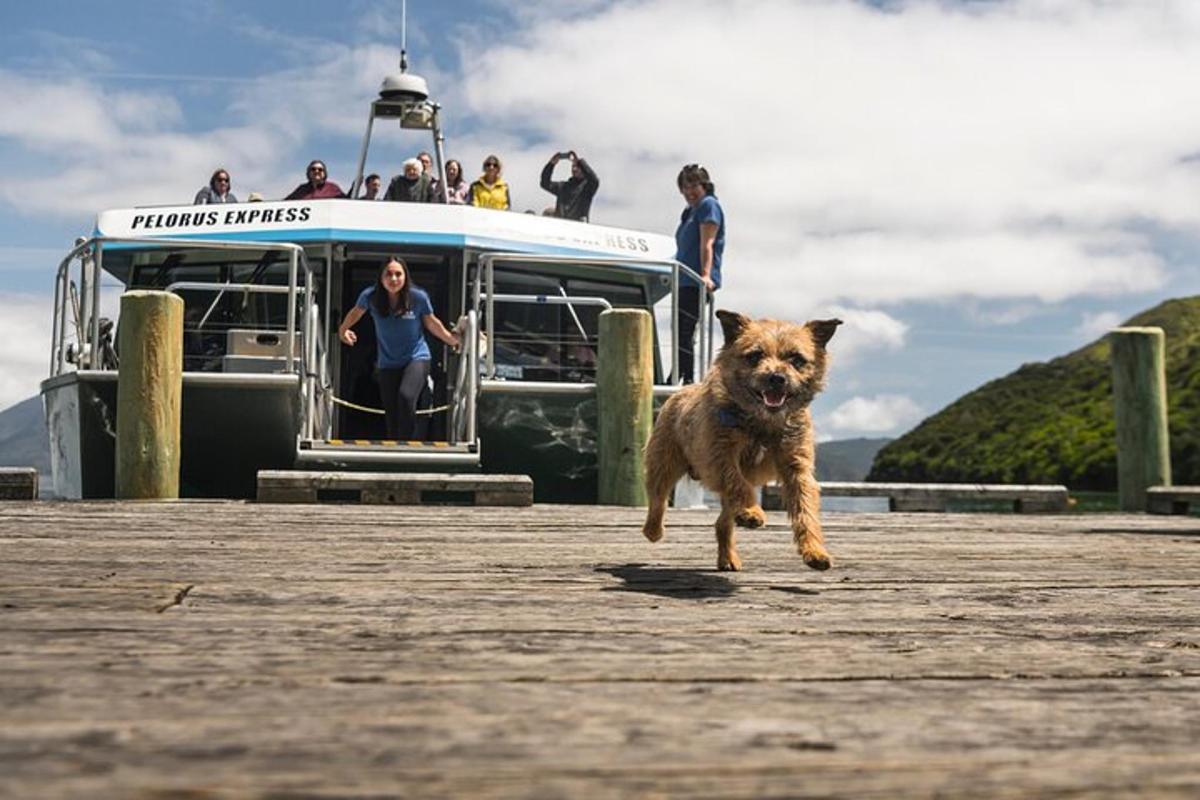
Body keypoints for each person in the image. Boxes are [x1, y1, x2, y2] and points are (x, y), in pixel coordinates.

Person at [337, 257, 460, 441]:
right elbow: (356, 312)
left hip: (416, 357)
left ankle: (406, 444)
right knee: (392, 413)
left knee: (406, 396)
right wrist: (342, 330)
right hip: (387, 363)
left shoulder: (418, 297)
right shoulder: (370, 296)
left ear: (405, 276)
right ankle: (394, 449)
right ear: (381, 277)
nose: (393, 279)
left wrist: (452, 340)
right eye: (388, 274)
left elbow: (432, 323)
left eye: (398, 274)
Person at [673, 163, 725, 384]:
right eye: (685, 186)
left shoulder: (708, 205)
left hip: (696, 281)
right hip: (682, 280)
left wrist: (705, 275)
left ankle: (687, 380)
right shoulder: (689, 212)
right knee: (678, 333)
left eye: (694, 185)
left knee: (685, 331)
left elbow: (708, 243)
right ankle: (678, 375)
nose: (689, 191)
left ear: (704, 185)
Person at [539, 151, 599, 221]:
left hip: (578, 228)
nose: (574, 169)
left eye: (577, 167)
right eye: (573, 166)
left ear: (583, 169)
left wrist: (579, 162)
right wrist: (551, 164)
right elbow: (545, 183)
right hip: (561, 226)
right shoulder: (562, 186)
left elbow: (594, 180)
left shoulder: (587, 188)